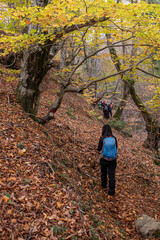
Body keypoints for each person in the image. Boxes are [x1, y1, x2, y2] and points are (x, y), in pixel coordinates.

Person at [97, 124, 118, 196]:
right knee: (112, 175)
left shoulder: (102, 138)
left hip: (104, 159)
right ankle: (111, 191)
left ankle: (104, 185)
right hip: (113, 160)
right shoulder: (114, 138)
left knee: (104, 173)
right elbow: (116, 148)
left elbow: (99, 149)